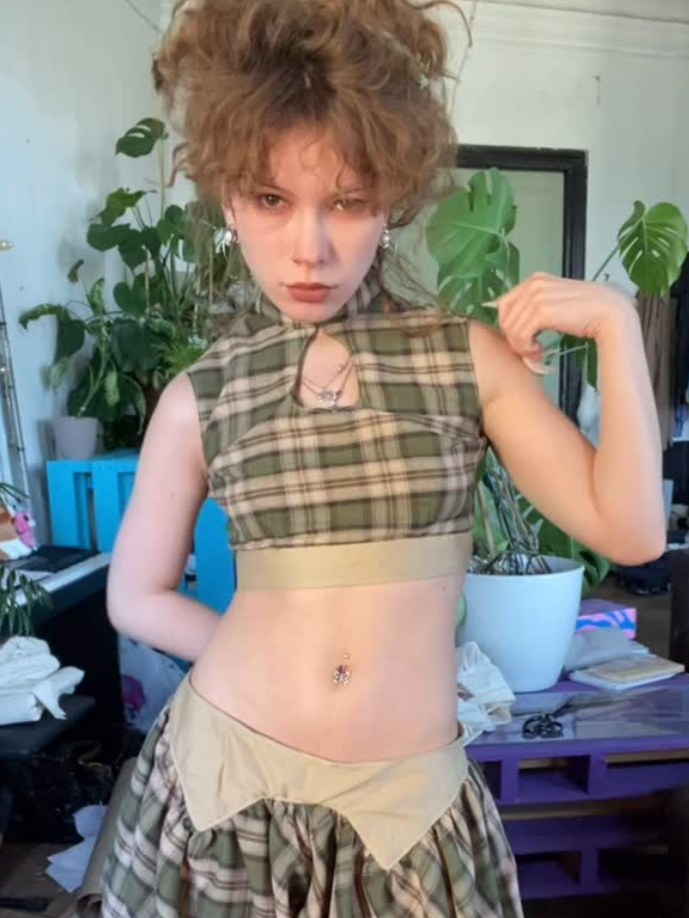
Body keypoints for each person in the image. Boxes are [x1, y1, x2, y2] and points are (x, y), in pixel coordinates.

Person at [100, 0, 667, 915]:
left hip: (406, 814)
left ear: (391, 200)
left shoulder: (461, 361)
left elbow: (633, 533)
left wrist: (616, 327)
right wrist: (270, 657)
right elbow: (135, 595)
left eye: (348, 202)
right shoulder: (202, 394)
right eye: (272, 200)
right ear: (228, 197)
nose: (310, 248)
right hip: (222, 788)